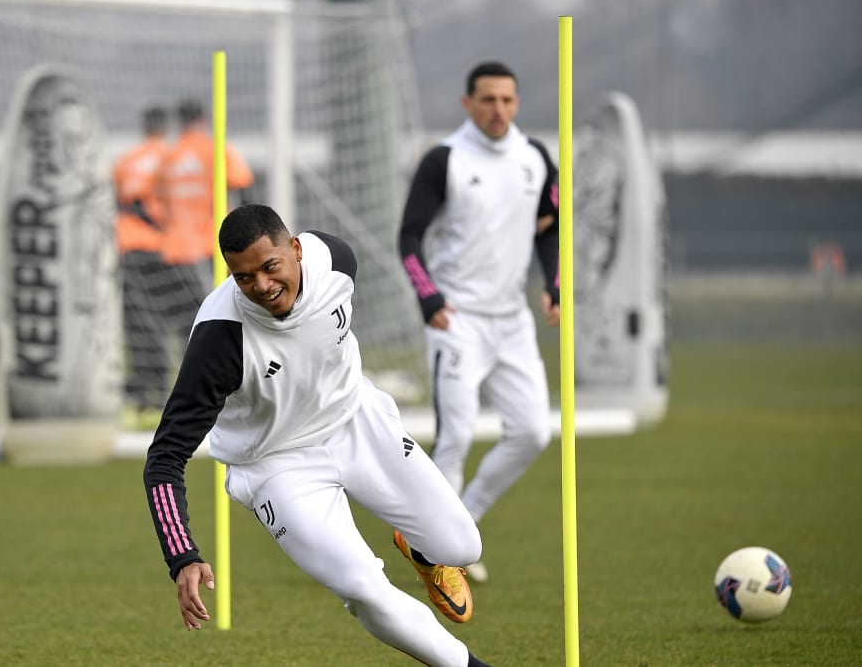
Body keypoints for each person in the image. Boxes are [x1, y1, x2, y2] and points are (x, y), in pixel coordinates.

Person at [144, 204, 492, 667]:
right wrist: (182, 555)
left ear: (296, 249)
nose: (262, 286)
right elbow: (164, 458)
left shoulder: (336, 259)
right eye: (244, 278)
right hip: (276, 466)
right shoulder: (219, 341)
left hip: (355, 420)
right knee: (363, 588)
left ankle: (425, 553)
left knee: (464, 547)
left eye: (270, 267)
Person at [397, 61, 561, 585]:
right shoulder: (443, 160)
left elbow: (548, 230)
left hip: (511, 320)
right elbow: (409, 238)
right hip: (456, 320)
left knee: (534, 431)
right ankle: (443, 557)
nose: (499, 110)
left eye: (508, 101)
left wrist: (554, 282)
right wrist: (429, 298)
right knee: (455, 438)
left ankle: (458, 526)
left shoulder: (535, 159)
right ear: (467, 103)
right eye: (488, 100)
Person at [156, 98, 253, 345]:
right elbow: (243, 186)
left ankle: (191, 367)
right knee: (223, 311)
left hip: (177, 248)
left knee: (188, 318)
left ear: (180, 122)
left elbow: (156, 206)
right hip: (213, 243)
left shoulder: (169, 157)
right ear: (203, 119)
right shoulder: (216, 149)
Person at [112, 106, 172, 418]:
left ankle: (143, 390)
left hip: (128, 249)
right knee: (166, 322)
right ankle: (159, 391)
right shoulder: (172, 157)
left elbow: (122, 202)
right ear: (164, 127)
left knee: (138, 324)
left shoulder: (125, 161)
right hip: (163, 250)